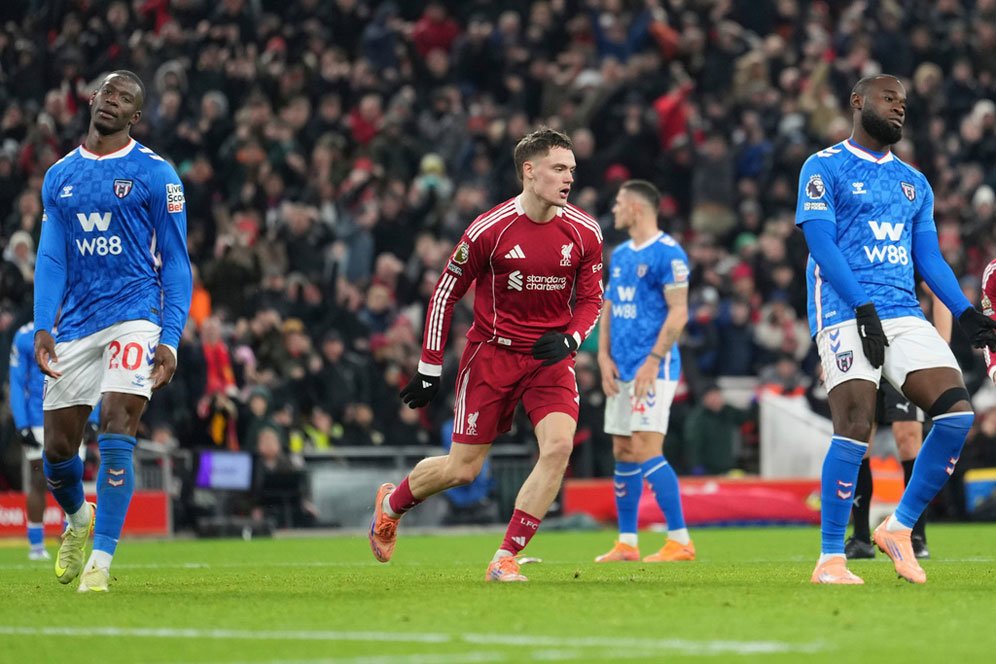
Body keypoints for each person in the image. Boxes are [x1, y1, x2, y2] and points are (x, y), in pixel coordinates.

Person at [367, 127, 603, 582]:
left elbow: (593, 300)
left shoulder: (585, 230)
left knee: (557, 447)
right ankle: (391, 505)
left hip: (550, 358)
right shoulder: (488, 229)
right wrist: (428, 369)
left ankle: (505, 557)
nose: (568, 178)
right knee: (462, 470)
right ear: (529, 173)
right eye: (558, 169)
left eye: (571, 170)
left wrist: (571, 340)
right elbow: (443, 295)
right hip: (492, 356)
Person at [796, 74, 996, 585]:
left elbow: (927, 256)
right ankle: (830, 559)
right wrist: (861, 305)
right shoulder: (823, 167)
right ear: (857, 102)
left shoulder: (915, 182)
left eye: (904, 103)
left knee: (955, 414)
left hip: (905, 312)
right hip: (844, 309)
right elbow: (821, 243)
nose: (899, 109)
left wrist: (965, 311)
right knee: (857, 426)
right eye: (889, 99)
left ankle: (899, 527)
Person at [33, 70, 192, 592]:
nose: (113, 101)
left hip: (137, 315)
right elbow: (52, 257)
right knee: (57, 450)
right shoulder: (59, 176)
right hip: (77, 323)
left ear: (135, 116)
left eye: (125, 98)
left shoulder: (157, 174)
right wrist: (43, 326)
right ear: (93, 100)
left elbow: (175, 263)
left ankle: (99, 565)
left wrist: (169, 336)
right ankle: (79, 519)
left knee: (118, 420)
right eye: (108, 93)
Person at [593, 179, 695, 563]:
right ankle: (627, 542)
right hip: (620, 367)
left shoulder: (669, 254)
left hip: (653, 367)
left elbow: (679, 311)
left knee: (645, 446)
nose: (614, 209)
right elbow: (609, 308)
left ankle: (680, 540)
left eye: (618, 202)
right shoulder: (619, 255)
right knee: (622, 448)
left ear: (635, 208)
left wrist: (653, 360)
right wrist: (603, 356)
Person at [847, 288, 951, 561]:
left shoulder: (904, 246)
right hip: (860, 343)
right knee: (858, 438)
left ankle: (915, 535)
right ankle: (860, 537)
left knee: (908, 439)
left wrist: (939, 349)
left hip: (903, 346)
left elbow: (938, 292)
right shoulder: (853, 249)